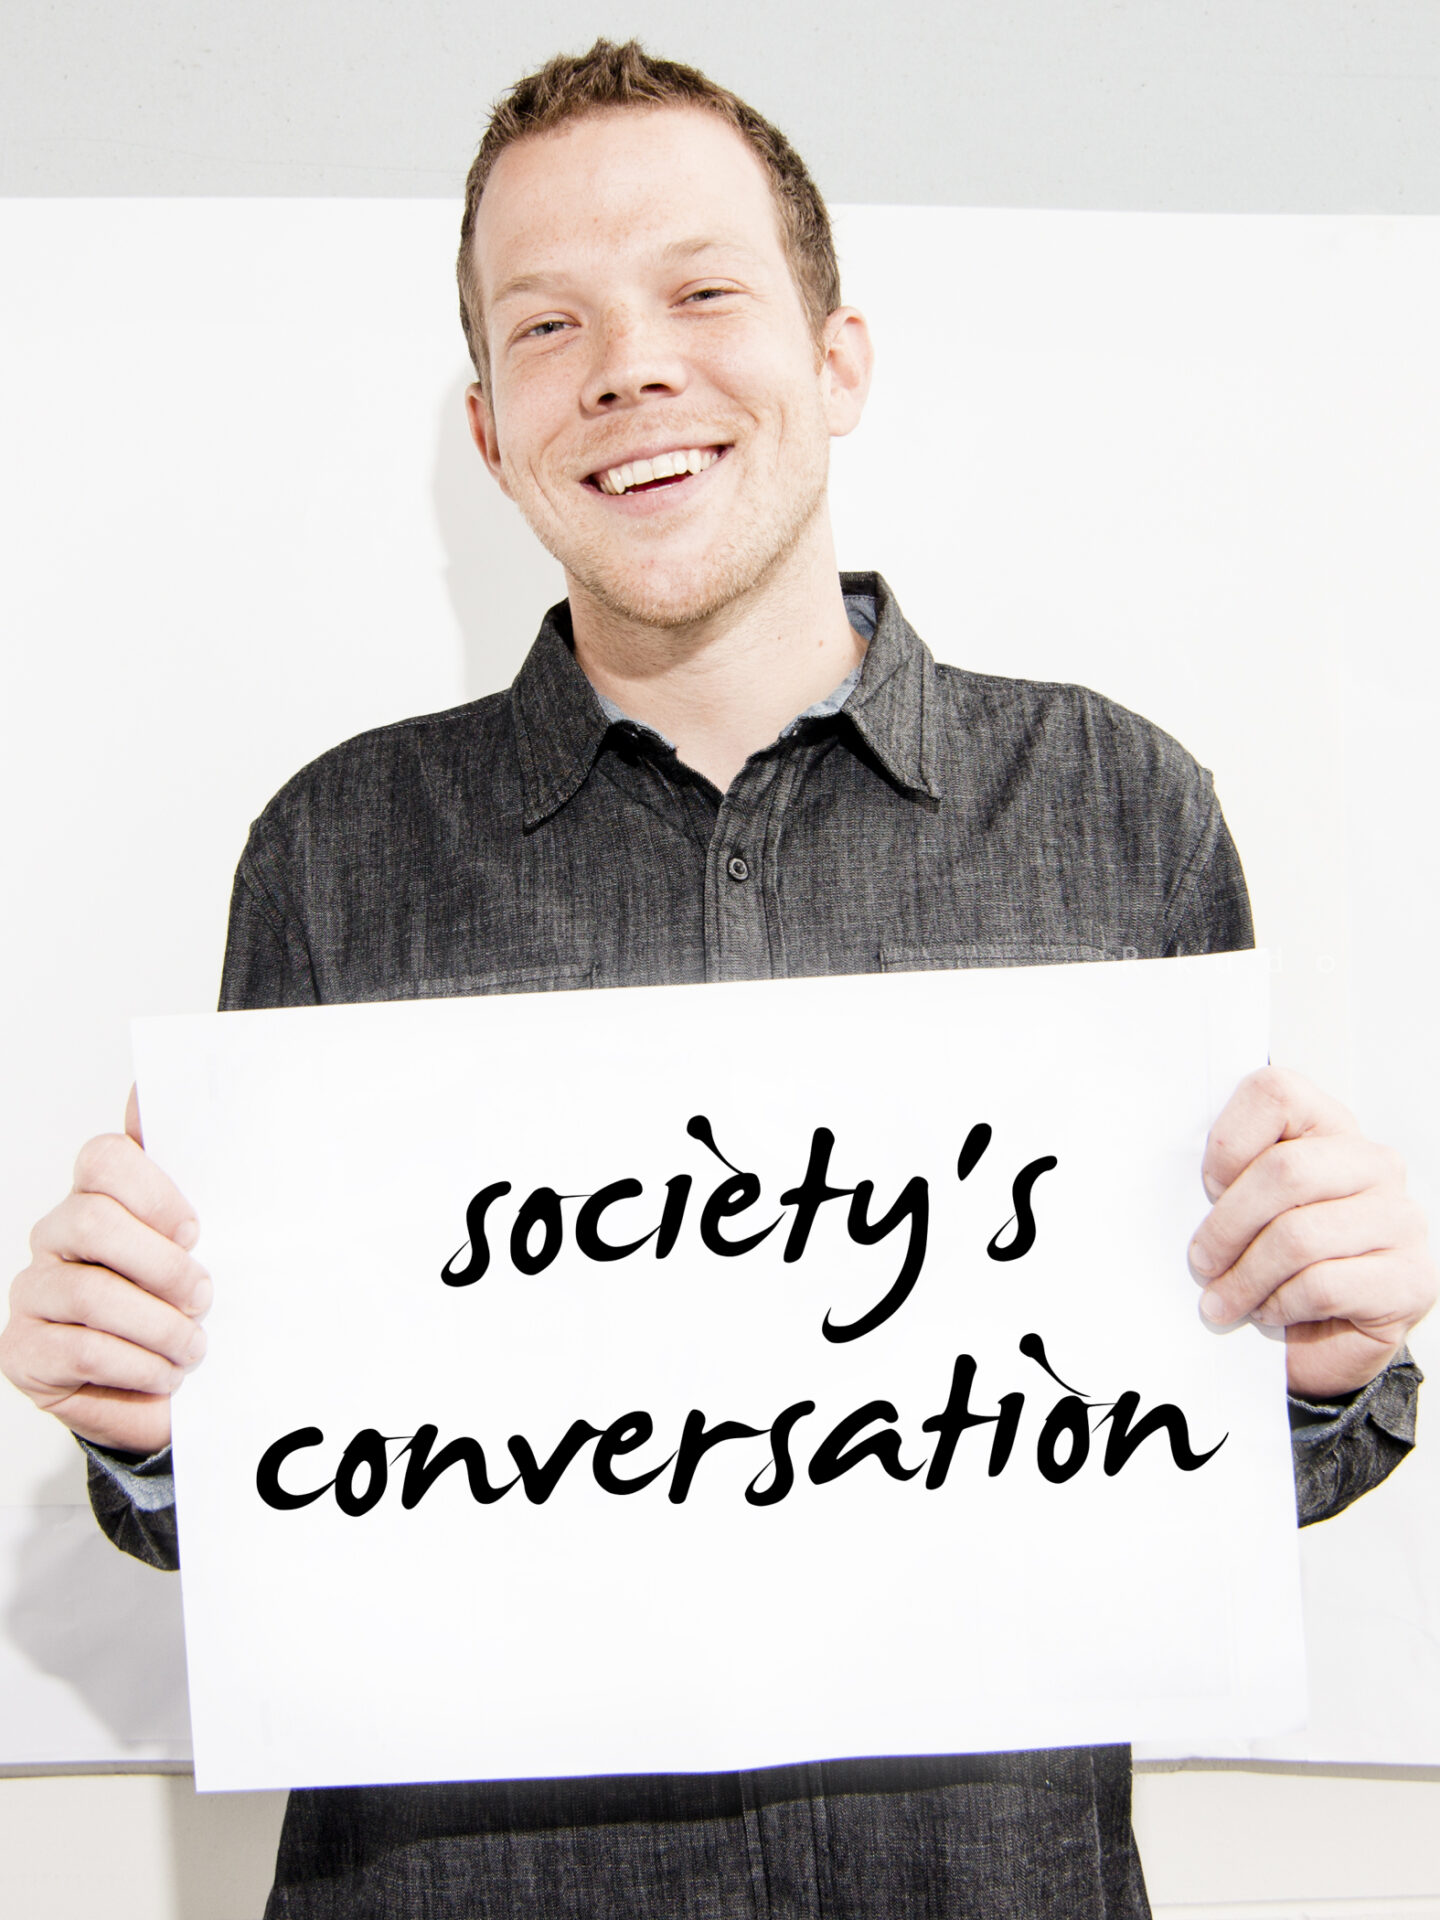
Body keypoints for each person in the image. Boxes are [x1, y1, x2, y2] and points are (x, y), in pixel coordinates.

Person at [3, 38, 1434, 1920]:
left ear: (837, 362)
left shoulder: (1115, 804)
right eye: (548, 326)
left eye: (700, 291)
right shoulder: (333, 854)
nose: (629, 366)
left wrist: (1316, 1372)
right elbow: (272, 1511)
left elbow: (1210, 1482)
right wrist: (144, 1416)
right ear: (492, 432)